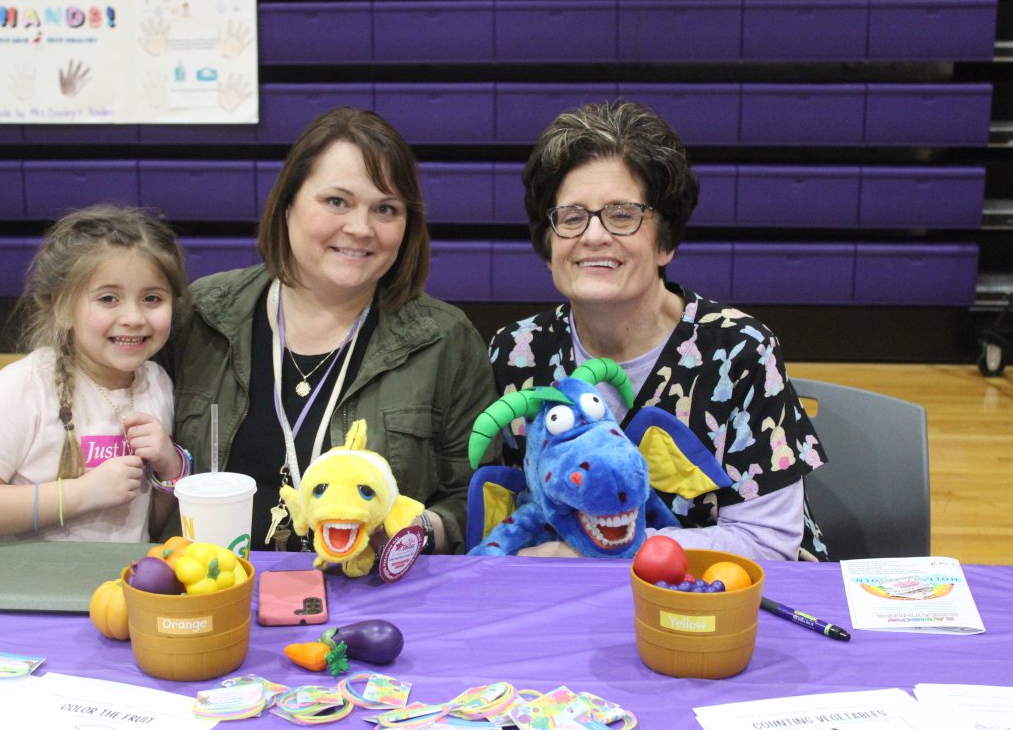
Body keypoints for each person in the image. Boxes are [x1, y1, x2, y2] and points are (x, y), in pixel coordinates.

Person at [487, 100, 829, 561]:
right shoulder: (516, 354)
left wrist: (596, 555)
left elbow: (768, 543)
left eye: (622, 215)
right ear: (548, 247)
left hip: (712, 607)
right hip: (565, 609)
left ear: (665, 240)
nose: (593, 236)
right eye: (571, 217)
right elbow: (513, 511)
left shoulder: (740, 351)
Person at [158, 107, 497, 554]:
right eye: (336, 202)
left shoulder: (445, 341)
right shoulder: (200, 314)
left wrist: (415, 531)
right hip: (209, 587)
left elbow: (482, 497)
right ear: (286, 204)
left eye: (386, 209)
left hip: (372, 596)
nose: (360, 228)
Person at [0, 205, 191, 541]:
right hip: (24, 584)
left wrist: (170, 468)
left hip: (114, 585)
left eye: (151, 298)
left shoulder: (159, 384)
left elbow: (154, 527)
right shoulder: (22, 388)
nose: (133, 317)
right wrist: (81, 495)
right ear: (62, 308)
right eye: (108, 298)